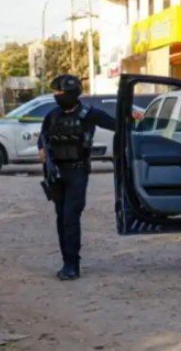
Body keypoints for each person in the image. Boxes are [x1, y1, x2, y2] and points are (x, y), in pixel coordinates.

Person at [38, 75, 115, 280]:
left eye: (59, 92)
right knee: (61, 218)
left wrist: (133, 118)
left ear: (71, 93)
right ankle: (66, 261)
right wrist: (41, 150)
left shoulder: (89, 114)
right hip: (56, 173)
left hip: (77, 172)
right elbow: (43, 136)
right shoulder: (52, 115)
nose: (56, 96)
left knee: (71, 217)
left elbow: (116, 124)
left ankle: (72, 265)